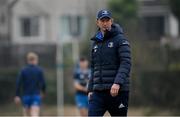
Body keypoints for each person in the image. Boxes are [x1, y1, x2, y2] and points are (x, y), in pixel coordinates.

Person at [88, 9, 131, 116]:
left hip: (117, 92)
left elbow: (126, 63)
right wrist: (90, 89)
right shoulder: (95, 43)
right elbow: (94, 67)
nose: (105, 23)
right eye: (102, 21)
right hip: (98, 93)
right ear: (97, 22)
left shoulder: (120, 40)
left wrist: (117, 83)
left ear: (111, 21)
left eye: (107, 20)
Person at [14, 52, 46, 116]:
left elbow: (18, 83)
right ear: (36, 60)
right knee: (35, 113)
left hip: (26, 96)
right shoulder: (39, 70)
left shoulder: (23, 70)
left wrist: (17, 95)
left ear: (28, 60)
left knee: (26, 114)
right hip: (36, 95)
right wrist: (43, 91)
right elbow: (43, 83)